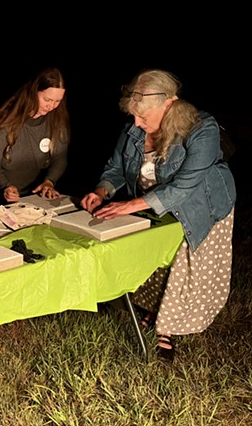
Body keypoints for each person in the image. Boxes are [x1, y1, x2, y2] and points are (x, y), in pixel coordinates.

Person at [80, 69, 236, 361]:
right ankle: (156, 310)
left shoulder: (202, 128)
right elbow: (116, 167)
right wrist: (102, 191)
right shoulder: (137, 127)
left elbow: (184, 186)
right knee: (157, 260)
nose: (136, 124)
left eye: (144, 118)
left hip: (201, 206)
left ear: (168, 104)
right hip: (152, 205)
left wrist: (128, 206)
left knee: (182, 267)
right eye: (134, 117)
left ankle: (168, 328)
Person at [0, 67, 70, 206]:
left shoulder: (57, 120)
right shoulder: (8, 120)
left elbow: (60, 158)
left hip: (27, 193)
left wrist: (49, 181)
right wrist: (5, 185)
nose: (51, 106)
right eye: (47, 99)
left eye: (57, 101)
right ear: (34, 91)